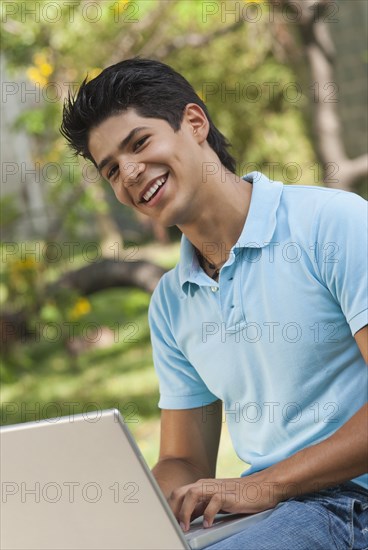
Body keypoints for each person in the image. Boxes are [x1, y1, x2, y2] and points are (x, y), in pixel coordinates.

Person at [61, 58, 368, 549]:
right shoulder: (170, 301)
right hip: (269, 513)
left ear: (195, 123)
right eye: (112, 170)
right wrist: (130, 519)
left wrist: (261, 485)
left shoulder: (332, 224)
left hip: (351, 502)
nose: (131, 173)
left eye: (139, 143)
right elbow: (184, 460)